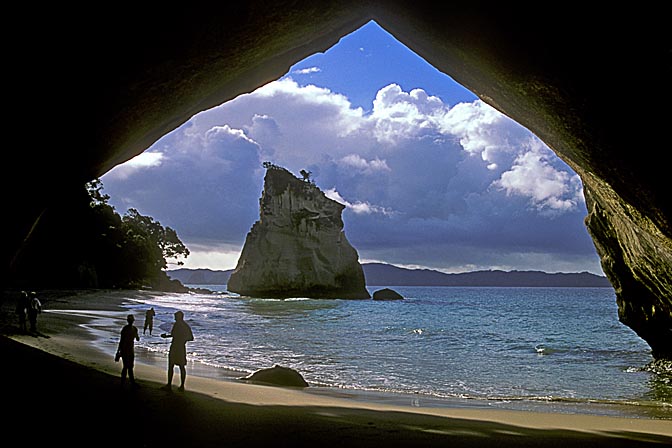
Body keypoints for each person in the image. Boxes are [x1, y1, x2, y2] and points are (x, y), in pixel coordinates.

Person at [161, 311, 194, 392]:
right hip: (181, 347)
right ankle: (182, 386)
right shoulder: (185, 326)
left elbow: (190, 338)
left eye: (175, 316)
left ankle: (169, 385)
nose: (174, 318)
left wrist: (180, 339)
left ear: (179, 317)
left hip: (176, 346)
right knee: (181, 366)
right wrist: (168, 336)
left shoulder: (178, 325)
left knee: (171, 365)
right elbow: (190, 337)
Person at [116, 314, 140, 388]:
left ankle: (125, 382)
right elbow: (137, 338)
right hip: (127, 349)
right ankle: (129, 382)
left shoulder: (126, 329)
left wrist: (118, 352)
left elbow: (121, 340)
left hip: (127, 349)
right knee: (128, 366)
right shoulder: (133, 329)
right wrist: (119, 352)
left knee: (127, 366)